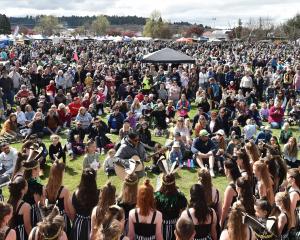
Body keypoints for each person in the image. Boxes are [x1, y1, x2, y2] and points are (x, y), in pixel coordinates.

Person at [154, 173, 187, 240]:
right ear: (174, 183)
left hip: (160, 227)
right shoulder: (180, 196)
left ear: (162, 183)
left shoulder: (157, 196)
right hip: (175, 227)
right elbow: (183, 212)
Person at [69, 168, 99, 240]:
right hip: (93, 224)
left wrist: (77, 221)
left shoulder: (76, 193)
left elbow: (73, 212)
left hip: (78, 223)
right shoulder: (98, 193)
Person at [45, 161, 72, 237]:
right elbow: (67, 210)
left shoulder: (46, 188)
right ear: (60, 174)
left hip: (50, 220)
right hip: (62, 221)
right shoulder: (64, 190)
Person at [220, 160, 241, 228]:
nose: (224, 170)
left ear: (228, 170)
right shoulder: (240, 181)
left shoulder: (230, 188)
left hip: (233, 219)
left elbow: (225, 208)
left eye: (225, 168)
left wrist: (221, 221)